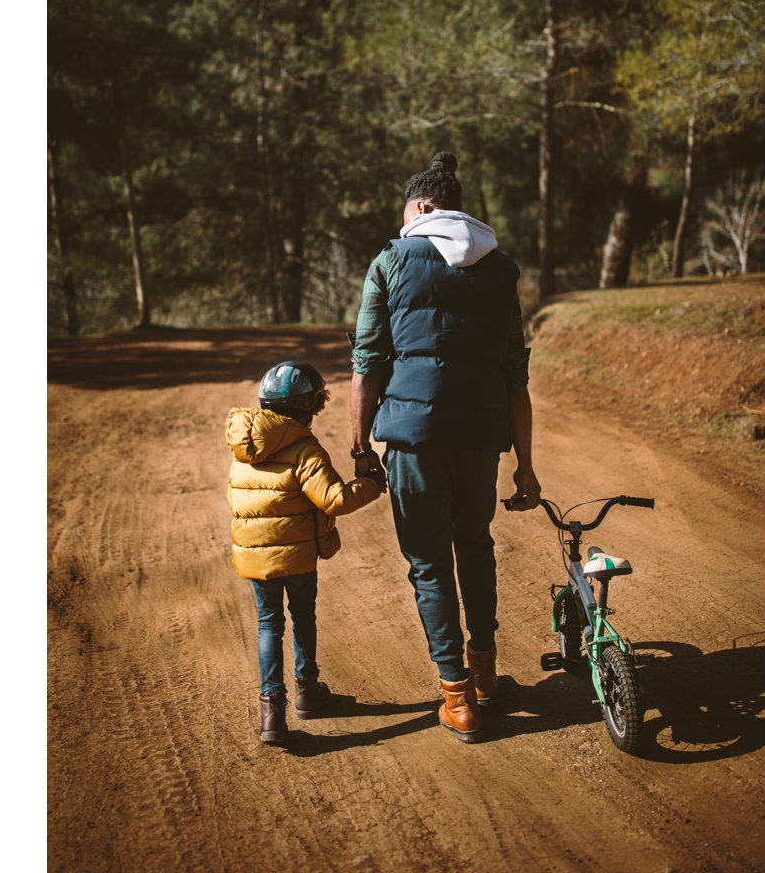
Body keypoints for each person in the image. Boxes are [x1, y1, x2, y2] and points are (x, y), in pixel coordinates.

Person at [349, 152, 542, 743]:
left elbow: (367, 364)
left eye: (407, 213)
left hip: (415, 439)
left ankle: (458, 699)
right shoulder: (502, 269)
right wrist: (527, 468)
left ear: (424, 207)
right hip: (482, 439)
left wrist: (359, 447)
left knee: (429, 562)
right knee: (475, 547)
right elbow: (516, 375)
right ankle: (484, 675)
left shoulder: (389, 261)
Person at [225, 360, 385, 745]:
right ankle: (307, 693)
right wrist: (372, 483)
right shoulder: (304, 449)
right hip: (297, 558)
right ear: (307, 408)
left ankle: (272, 716)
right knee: (302, 617)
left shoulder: (243, 449)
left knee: (268, 625)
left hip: (255, 558)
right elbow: (335, 499)